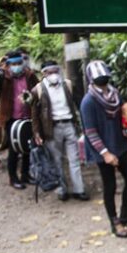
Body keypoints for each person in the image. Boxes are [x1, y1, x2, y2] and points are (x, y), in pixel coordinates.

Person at [80, 60, 127, 238]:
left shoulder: (114, 94)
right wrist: (106, 153)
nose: (103, 79)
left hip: (120, 144)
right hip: (103, 150)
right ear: (91, 80)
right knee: (110, 186)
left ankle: (125, 215)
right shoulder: (88, 102)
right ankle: (114, 221)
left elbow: (122, 116)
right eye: (99, 78)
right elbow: (90, 132)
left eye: (104, 77)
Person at [31, 61, 89, 201]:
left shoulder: (67, 85)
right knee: (56, 160)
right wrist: (37, 133)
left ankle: (78, 189)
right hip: (51, 129)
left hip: (69, 125)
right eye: (50, 72)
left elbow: (79, 104)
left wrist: (83, 126)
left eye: (55, 71)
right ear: (44, 73)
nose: (54, 75)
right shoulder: (37, 90)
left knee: (74, 159)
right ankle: (62, 189)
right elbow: (34, 114)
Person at [0, 51, 39, 189]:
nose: (17, 66)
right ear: (8, 64)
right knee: (14, 149)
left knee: (27, 146)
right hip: (11, 117)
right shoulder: (3, 76)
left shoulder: (29, 75)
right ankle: (13, 178)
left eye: (19, 63)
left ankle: (26, 175)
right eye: (14, 64)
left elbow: (38, 89)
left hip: (28, 115)